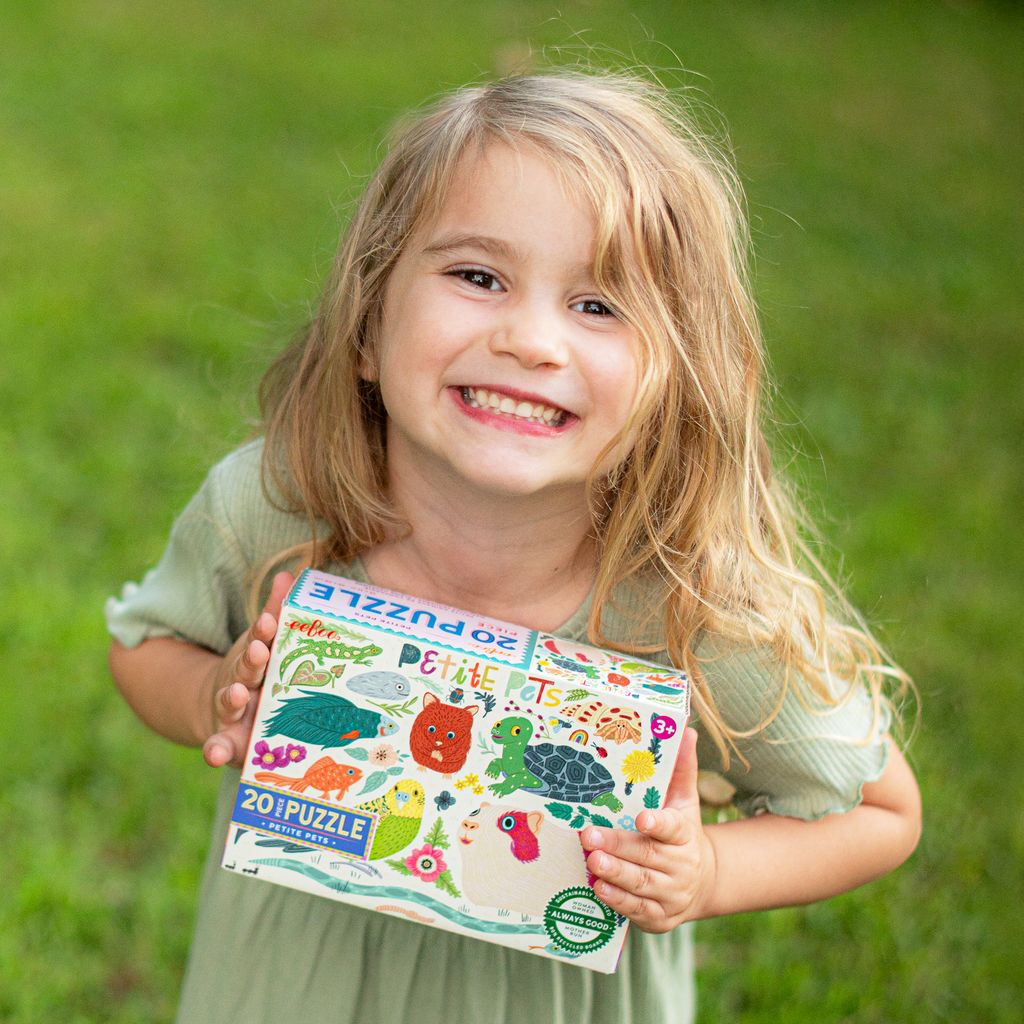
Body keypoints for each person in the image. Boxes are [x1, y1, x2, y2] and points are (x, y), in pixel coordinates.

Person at [106, 69, 921, 1024]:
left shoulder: (685, 602)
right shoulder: (278, 507)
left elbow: (878, 812)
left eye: (600, 305)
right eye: (477, 276)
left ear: (677, 375)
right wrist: (214, 698)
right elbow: (144, 644)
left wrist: (703, 875)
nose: (532, 340)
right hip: (290, 981)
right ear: (370, 315)